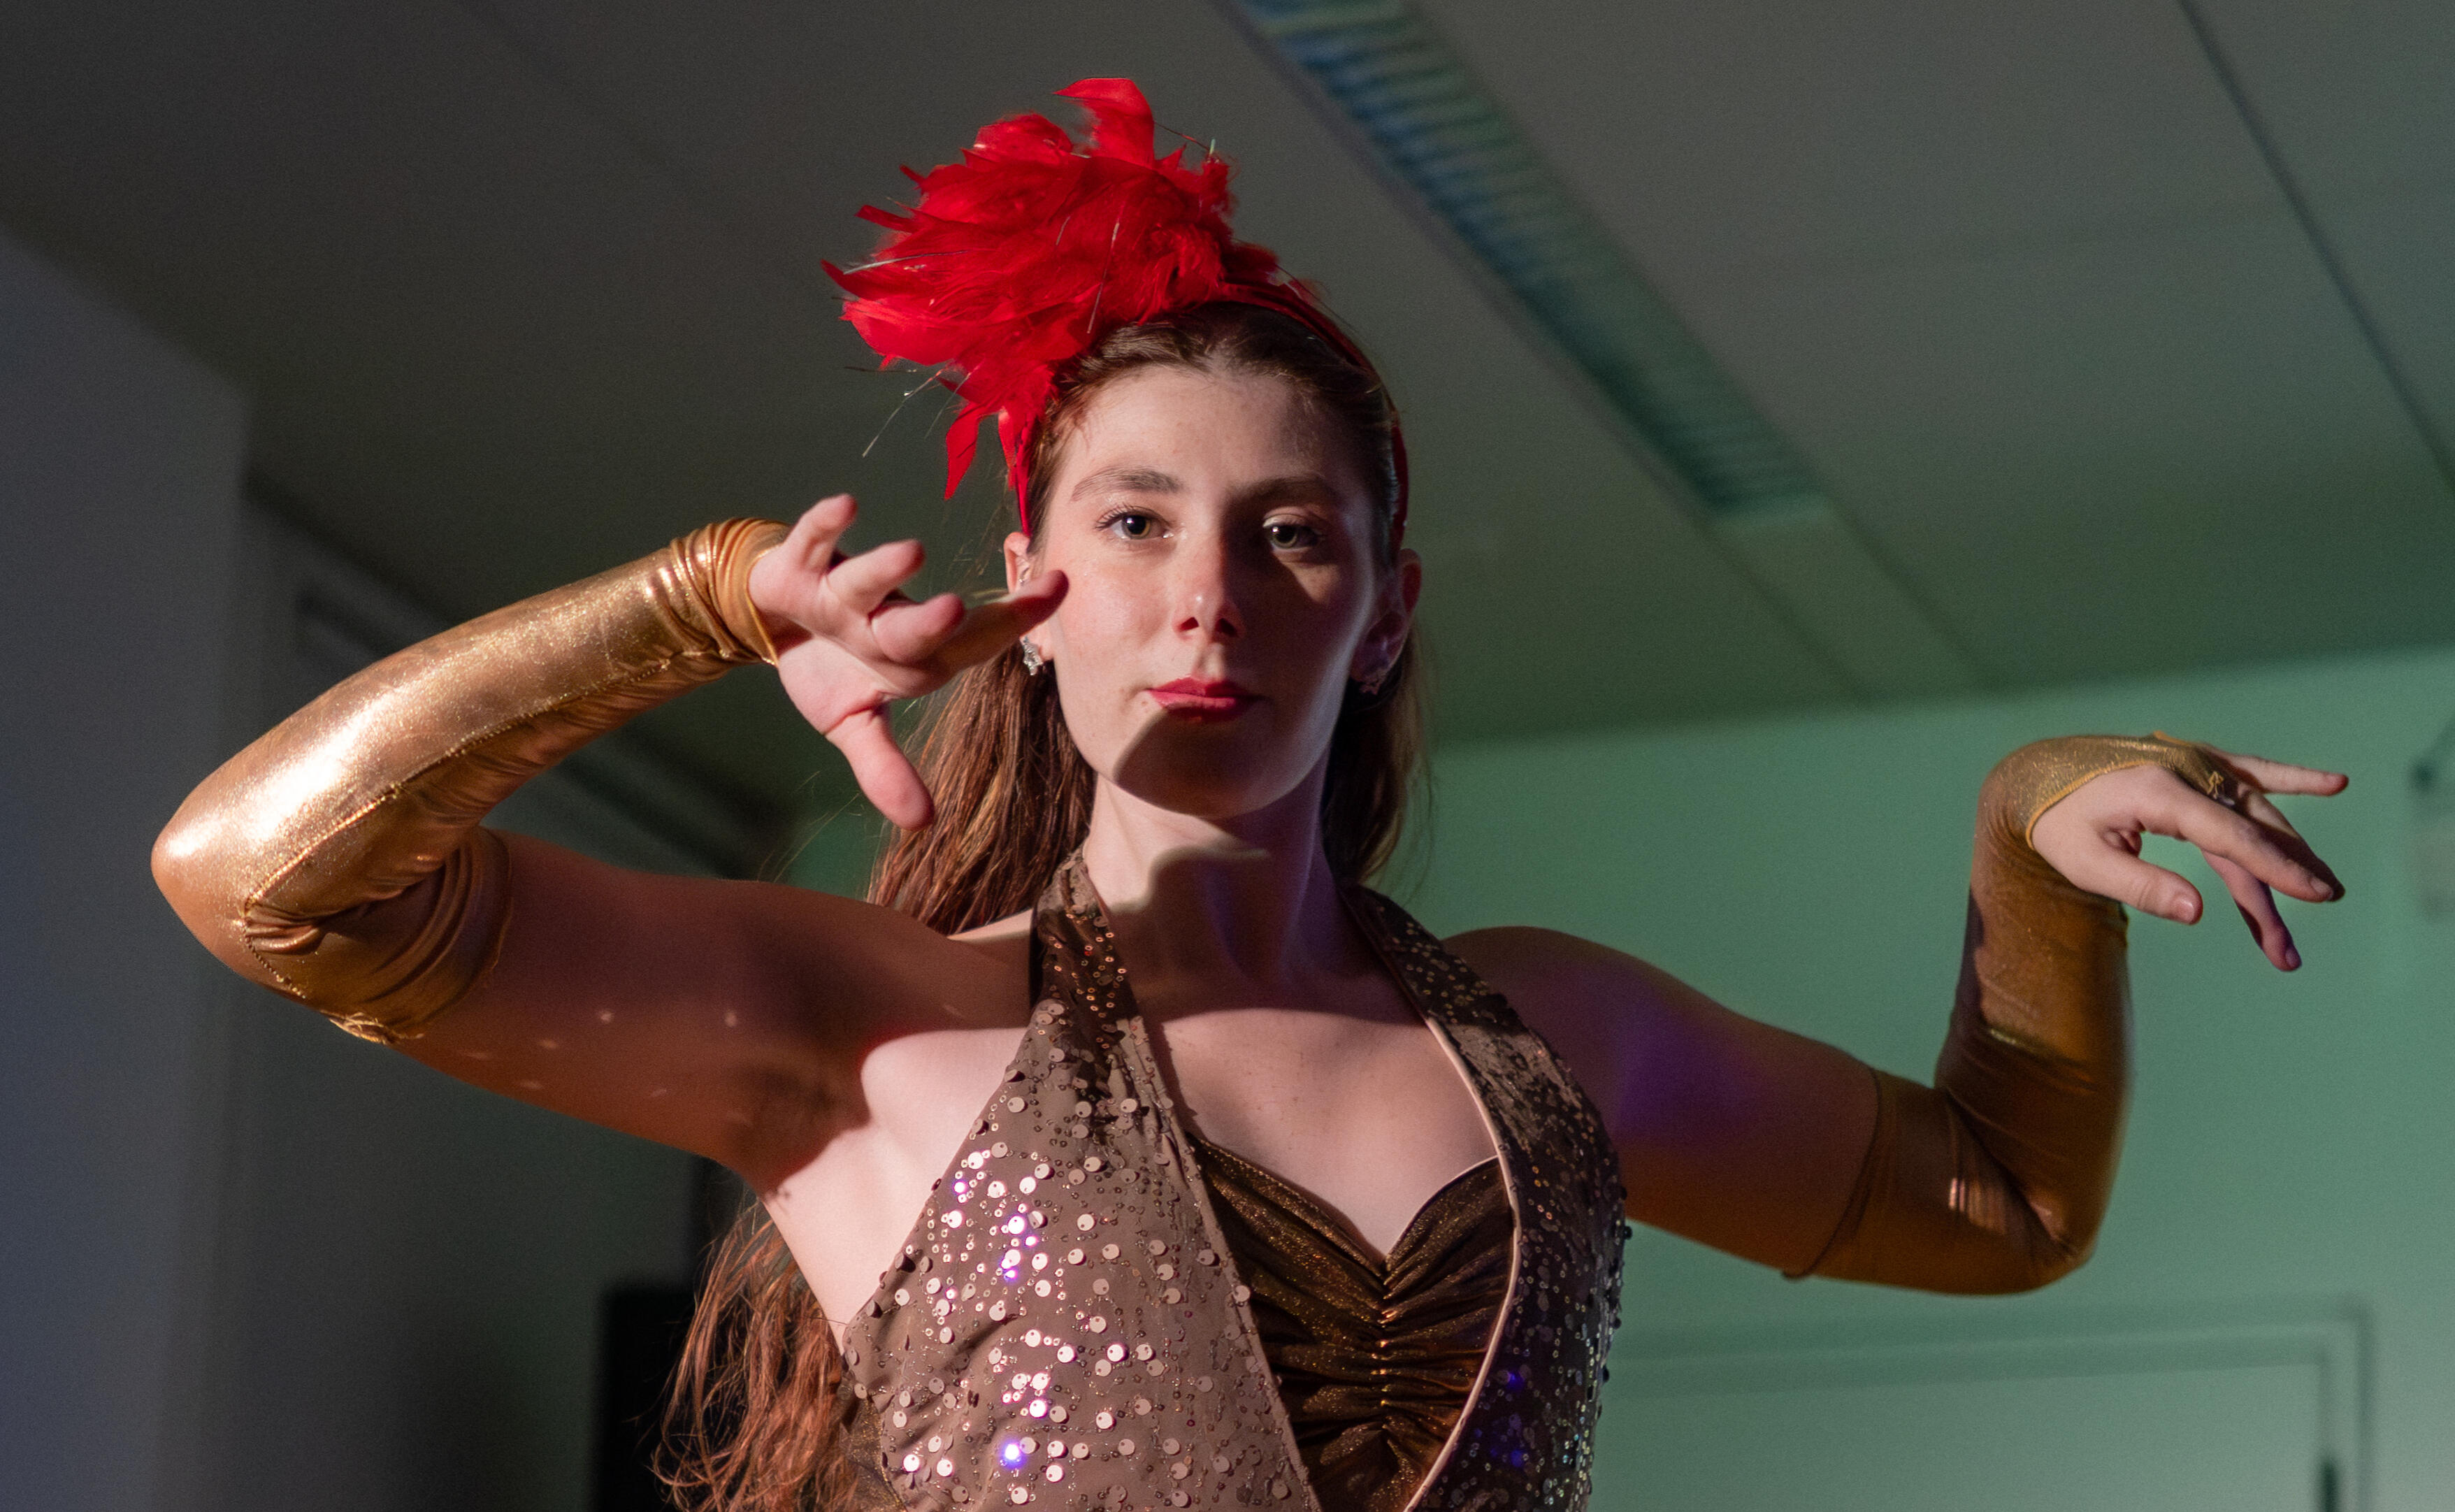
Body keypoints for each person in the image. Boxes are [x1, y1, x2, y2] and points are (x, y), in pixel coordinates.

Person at [152, 79, 2345, 1512]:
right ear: (1031, 582)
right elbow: (267, 883)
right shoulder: (883, 1033)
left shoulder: (1549, 1041)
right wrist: (697, 602)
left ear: (1381, 615)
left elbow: (2002, 1204)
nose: (1207, 591)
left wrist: (2027, 837)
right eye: (1135, 522)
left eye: (1293, 535)